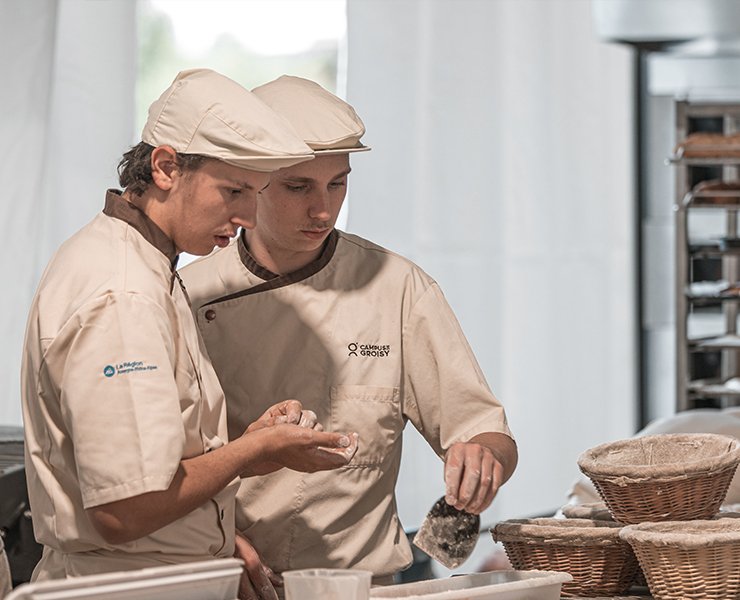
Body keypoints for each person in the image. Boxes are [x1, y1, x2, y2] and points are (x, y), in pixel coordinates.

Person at [180, 75, 518, 596]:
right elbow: (161, 474)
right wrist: (217, 542)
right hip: (224, 577)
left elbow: (485, 430)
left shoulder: (399, 289)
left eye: (338, 183)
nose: (324, 209)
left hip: (358, 585)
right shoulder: (186, 295)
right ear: (249, 182)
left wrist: (483, 459)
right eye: (298, 187)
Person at [20, 69, 358, 583]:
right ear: (165, 167)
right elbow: (125, 509)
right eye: (233, 192)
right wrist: (254, 450)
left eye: (257, 193)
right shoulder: (123, 294)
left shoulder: (145, 264)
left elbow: (156, 466)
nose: (247, 215)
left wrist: (234, 483)